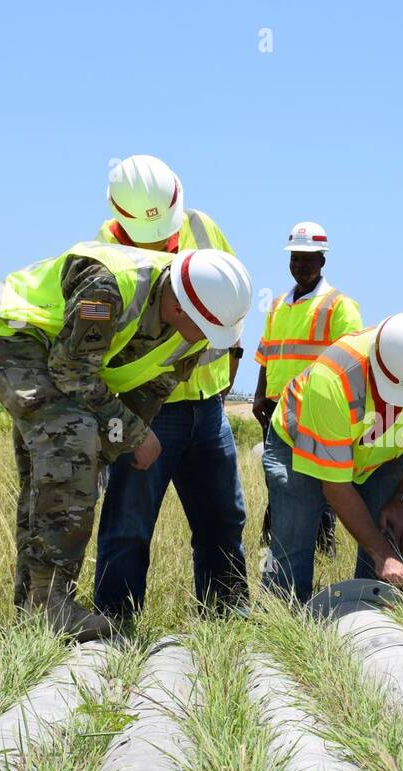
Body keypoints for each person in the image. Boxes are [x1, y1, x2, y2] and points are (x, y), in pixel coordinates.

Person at [0, 242, 252, 640]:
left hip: (64, 355)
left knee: (59, 467)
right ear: (177, 309)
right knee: (72, 439)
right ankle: (52, 604)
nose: (209, 341)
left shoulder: (194, 324)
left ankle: (33, 609)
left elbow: (149, 390)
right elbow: (71, 371)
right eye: (207, 330)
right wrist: (133, 435)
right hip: (14, 333)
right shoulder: (108, 289)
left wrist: (119, 440)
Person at [90, 155, 250, 620]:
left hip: (208, 405)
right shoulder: (102, 251)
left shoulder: (203, 227)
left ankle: (226, 621)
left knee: (223, 519)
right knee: (129, 524)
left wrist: (230, 365)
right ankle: (116, 627)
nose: (162, 239)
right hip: (148, 409)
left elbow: (232, 294)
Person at [262, 313, 403, 602]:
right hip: (301, 446)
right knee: (294, 543)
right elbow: (335, 485)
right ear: (375, 366)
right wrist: (381, 553)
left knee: (386, 540)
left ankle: (370, 622)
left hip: (382, 454)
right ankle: (281, 620)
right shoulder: (334, 376)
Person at [251, 221, 363, 553]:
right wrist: (259, 395)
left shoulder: (339, 305)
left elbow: (352, 361)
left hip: (315, 410)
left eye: (308, 259)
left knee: (321, 482)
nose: (300, 265)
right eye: (295, 258)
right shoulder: (277, 304)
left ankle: (324, 547)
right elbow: (266, 352)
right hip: (276, 410)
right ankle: (275, 546)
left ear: (322, 261)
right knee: (279, 479)